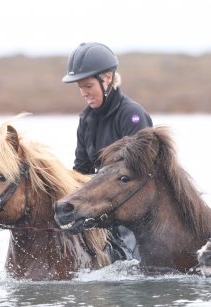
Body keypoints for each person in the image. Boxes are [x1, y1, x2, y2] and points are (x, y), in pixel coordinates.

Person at [62, 42, 153, 260]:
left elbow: (141, 174)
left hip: (134, 210)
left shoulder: (132, 115)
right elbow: (81, 170)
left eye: (88, 86)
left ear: (107, 79)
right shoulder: (86, 119)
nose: (84, 93)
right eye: (80, 88)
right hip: (104, 208)